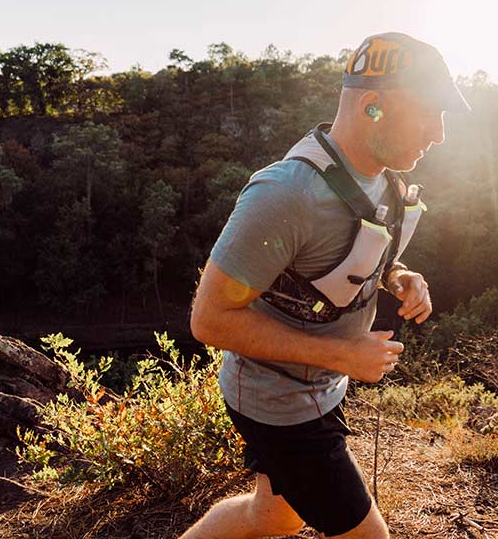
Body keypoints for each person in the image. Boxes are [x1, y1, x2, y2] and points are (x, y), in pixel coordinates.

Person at [180, 32, 470, 539]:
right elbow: (209, 320)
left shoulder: (381, 179)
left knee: (273, 515)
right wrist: (343, 355)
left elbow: (357, 257)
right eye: (429, 113)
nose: (439, 134)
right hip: (279, 405)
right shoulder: (286, 194)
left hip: (319, 390)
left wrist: (402, 277)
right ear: (374, 107)